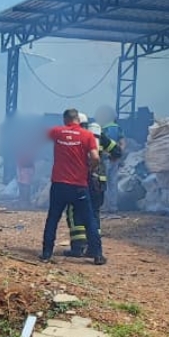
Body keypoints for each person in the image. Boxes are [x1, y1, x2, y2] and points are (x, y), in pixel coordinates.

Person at [41, 108, 106, 265]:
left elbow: (42, 136)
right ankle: (97, 255)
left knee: (53, 219)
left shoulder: (57, 132)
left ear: (65, 120)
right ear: (78, 120)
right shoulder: (87, 135)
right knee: (89, 218)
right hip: (79, 185)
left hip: (59, 185)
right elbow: (95, 157)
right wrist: (90, 167)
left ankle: (46, 253)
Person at [63, 121, 123, 257]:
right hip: (99, 182)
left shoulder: (76, 136)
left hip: (81, 181)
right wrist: (109, 157)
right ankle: (93, 248)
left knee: (75, 211)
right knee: (94, 213)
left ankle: (77, 248)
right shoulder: (101, 137)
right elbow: (117, 151)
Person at [95, 105, 126, 213]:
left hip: (105, 159)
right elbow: (122, 143)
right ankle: (113, 207)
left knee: (103, 183)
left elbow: (100, 145)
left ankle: (104, 206)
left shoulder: (103, 130)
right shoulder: (118, 128)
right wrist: (118, 154)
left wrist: (106, 155)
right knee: (113, 183)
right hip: (115, 159)